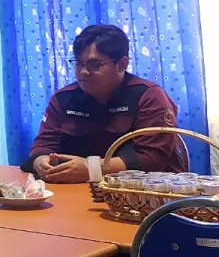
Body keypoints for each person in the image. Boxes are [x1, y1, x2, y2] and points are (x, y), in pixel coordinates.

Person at [22, 25, 187, 183]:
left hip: (148, 192)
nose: (83, 72)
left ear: (122, 64)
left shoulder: (149, 96)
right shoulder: (63, 99)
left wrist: (92, 169)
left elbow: (152, 159)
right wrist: (40, 162)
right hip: (79, 190)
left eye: (95, 65)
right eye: (78, 63)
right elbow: (43, 144)